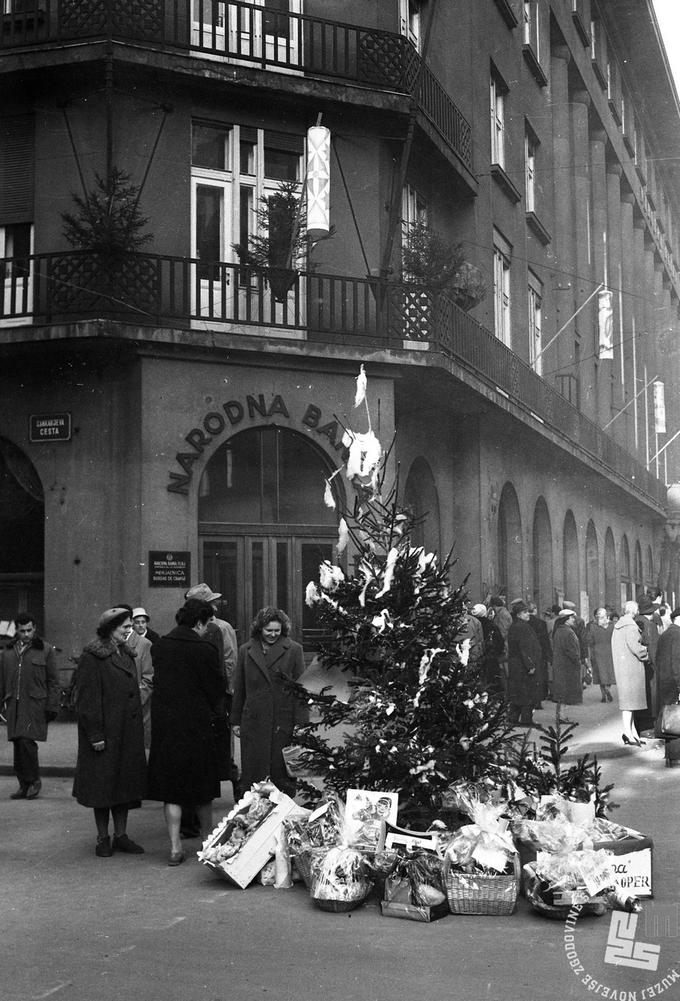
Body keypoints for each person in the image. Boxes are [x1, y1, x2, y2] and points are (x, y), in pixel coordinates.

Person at [147, 598, 224, 866]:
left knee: (172, 790)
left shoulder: (161, 646)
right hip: (198, 727)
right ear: (199, 622)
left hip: (168, 728)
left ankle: (175, 848)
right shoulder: (205, 649)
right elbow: (216, 690)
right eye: (207, 623)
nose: (207, 628)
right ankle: (207, 843)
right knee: (202, 790)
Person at [72, 608, 147, 857]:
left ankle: (121, 836)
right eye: (124, 627)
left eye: (129, 626)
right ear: (108, 629)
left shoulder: (125, 653)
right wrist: (95, 735)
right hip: (105, 734)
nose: (129, 630)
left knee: (123, 786)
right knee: (103, 788)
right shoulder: (93, 656)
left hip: (126, 733)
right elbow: (87, 700)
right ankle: (103, 838)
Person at [231, 606, 307, 797]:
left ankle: (280, 818)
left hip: (282, 722)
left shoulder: (294, 650)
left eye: (277, 630)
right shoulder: (245, 650)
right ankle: (254, 819)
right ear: (259, 629)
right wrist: (236, 720)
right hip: (254, 722)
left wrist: (301, 723)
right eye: (268, 630)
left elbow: (301, 690)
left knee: (280, 774)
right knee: (254, 774)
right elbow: (239, 688)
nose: (273, 634)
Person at [185, 582, 240, 799]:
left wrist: (225, 691)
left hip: (219, 695)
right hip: (201, 694)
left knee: (222, 743)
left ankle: (236, 781)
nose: (215, 606)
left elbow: (229, 660)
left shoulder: (221, 628)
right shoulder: (193, 626)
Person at [0, 613, 60, 800]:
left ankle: (34, 781)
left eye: (29, 630)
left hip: (35, 704)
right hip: (13, 705)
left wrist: (52, 706)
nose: (26, 634)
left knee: (26, 741)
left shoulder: (46, 650)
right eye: (22, 630)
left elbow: (53, 682)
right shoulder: (8, 653)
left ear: (35, 629)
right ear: (16, 631)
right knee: (18, 743)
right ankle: (23, 784)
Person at [611, 599, 649, 746]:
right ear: (635, 611)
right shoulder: (630, 627)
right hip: (632, 670)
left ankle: (632, 733)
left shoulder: (619, 625)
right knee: (629, 704)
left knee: (629, 703)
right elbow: (637, 649)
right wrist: (646, 651)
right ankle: (628, 733)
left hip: (623, 669)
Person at [505, 602, 541, 727]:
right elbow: (525, 648)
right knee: (527, 692)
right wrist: (530, 665)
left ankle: (513, 718)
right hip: (523, 665)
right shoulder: (523, 627)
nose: (528, 614)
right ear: (519, 614)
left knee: (518, 692)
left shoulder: (515, 626)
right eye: (525, 612)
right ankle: (526, 719)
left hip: (516, 665)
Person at [655, 607, 680, 768]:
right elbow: (677, 662)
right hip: (674, 681)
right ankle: (676, 757)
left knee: (669, 719)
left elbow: (658, 658)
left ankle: (671, 757)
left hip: (664, 681)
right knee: (676, 718)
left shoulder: (666, 634)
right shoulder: (677, 635)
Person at [551, 608, 583, 705]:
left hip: (561, 665)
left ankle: (561, 716)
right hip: (568, 666)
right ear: (566, 620)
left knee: (561, 692)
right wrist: (578, 660)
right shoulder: (568, 632)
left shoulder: (559, 630)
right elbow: (571, 650)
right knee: (566, 692)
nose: (574, 620)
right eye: (572, 618)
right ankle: (561, 717)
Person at [471, 603, 505, 694]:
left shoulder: (470, 623)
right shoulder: (490, 625)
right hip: (489, 658)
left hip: (473, 657)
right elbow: (499, 643)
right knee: (490, 684)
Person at [585, 607, 615, 703]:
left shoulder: (592, 626)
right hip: (610, 651)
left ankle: (603, 695)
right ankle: (608, 689)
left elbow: (589, 640)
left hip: (597, 651)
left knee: (600, 673)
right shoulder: (612, 626)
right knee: (609, 673)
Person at [527, 601, 551, 707]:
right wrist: (548, 655)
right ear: (535, 610)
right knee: (540, 678)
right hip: (539, 654)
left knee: (528, 679)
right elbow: (545, 641)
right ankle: (538, 702)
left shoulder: (524, 623)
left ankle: (529, 700)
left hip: (527, 654)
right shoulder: (541, 623)